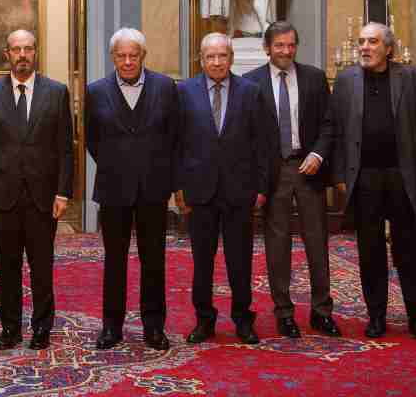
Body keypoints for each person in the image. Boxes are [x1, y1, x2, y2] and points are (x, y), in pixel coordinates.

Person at [319, 22, 416, 340]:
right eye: (361, 42)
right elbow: (335, 129)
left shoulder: (409, 78)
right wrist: (340, 175)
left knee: (408, 250)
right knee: (370, 251)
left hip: (403, 176)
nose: (365, 48)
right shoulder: (345, 81)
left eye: (372, 42)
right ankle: (377, 317)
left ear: (389, 48)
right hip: (365, 179)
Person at [0, 29, 74, 351]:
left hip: (43, 197)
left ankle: (42, 328)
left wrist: (62, 192)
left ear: (36, 52)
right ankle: (10, 329)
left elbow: (65, 149)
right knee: (7, 267)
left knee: (42, 267)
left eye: (28, 49)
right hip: (3, 195)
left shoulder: (57, 92)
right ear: (7, 54)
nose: (22, 55)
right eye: (16, 49)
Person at [244, 21, 340, 338]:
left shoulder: (313, 77)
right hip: (275, 173)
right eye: (279, 45)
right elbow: (252, 137)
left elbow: (329, 124)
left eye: (291, 45)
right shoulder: (251, 83)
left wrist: (318, 155)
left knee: (317, 242)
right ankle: (284, 313)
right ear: (267, 48)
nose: (286, 51)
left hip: (309, 167)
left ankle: (321, 311)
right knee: (277, 244)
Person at [175, 32, 272, 345]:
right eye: (210, 57)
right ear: (201, 60)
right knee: (202, 261)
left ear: (231, 58)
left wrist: (261, 187)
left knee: (239, 260)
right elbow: (176, 144)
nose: (216, 62)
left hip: (239, 191)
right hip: (199, 191)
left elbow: (263, 144)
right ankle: (204, 320)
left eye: (222, 56)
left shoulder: (251, 92)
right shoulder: (184, 91)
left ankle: (243, 320)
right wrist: (179, 187)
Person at [85, 28, 178, 351]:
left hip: (153, 187)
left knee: (154, 261)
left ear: (143, 56)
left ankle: (154, 327)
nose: (127, 61)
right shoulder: (95, 91)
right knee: (115, 261)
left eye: (133, 55)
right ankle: (112, 327)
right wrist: (119, 163)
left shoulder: (166, 87)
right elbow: (92, 139)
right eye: (121, 56)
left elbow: (173, 137)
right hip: (113, 188)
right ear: (113, 57)